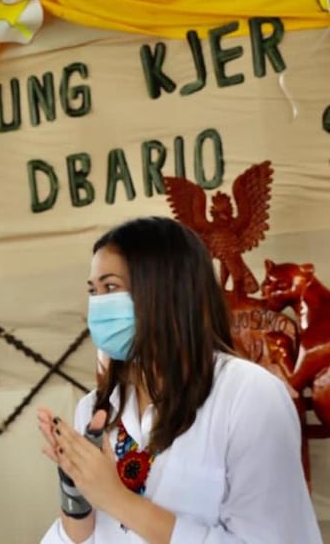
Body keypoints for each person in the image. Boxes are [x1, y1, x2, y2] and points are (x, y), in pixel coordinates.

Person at [37, 216, 321, 543]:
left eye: (111, 287)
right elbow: (83, 536)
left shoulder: (249, 395)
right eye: (93, 290)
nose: (98, 305)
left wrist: (116, 498)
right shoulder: (95, 409)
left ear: (166, 289)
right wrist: (76, 492)